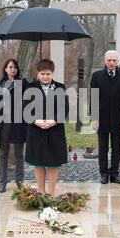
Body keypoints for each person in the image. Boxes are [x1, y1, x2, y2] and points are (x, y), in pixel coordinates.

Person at [24, 59, 69, 197]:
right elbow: (25, 108)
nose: (45, 77)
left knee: (53, 162)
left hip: (55, 130)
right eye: (42, 74)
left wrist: (54, 121)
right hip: (36, 130)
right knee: (39, 161)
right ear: (38, 73)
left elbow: (64, 108)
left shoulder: (60, 87)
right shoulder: (30, 87)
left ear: (52, 73)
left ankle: (51, 193)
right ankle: (41, 192)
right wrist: (36, 121)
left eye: (48, 74)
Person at [0, 59, 29, 193]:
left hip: (18, 123)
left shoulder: (23, 83)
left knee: (18, 154)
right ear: (5, 69)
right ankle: (2, 182)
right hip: (3, 124)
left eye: (15, 67)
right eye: (10, 67)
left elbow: (29, 100)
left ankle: (20, 182)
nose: (13, 69)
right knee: (3, 153)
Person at [90, 50, 120, 184]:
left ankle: (114, 173)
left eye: (114, 60)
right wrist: (94, 118)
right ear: (104, 61)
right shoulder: (97, 76)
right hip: (101, 117)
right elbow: (93, 98)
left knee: (116, 148)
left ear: (117, 61)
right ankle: (103, 174)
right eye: (109, 60)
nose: (111, 63)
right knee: (103, 148)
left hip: (118, 117)